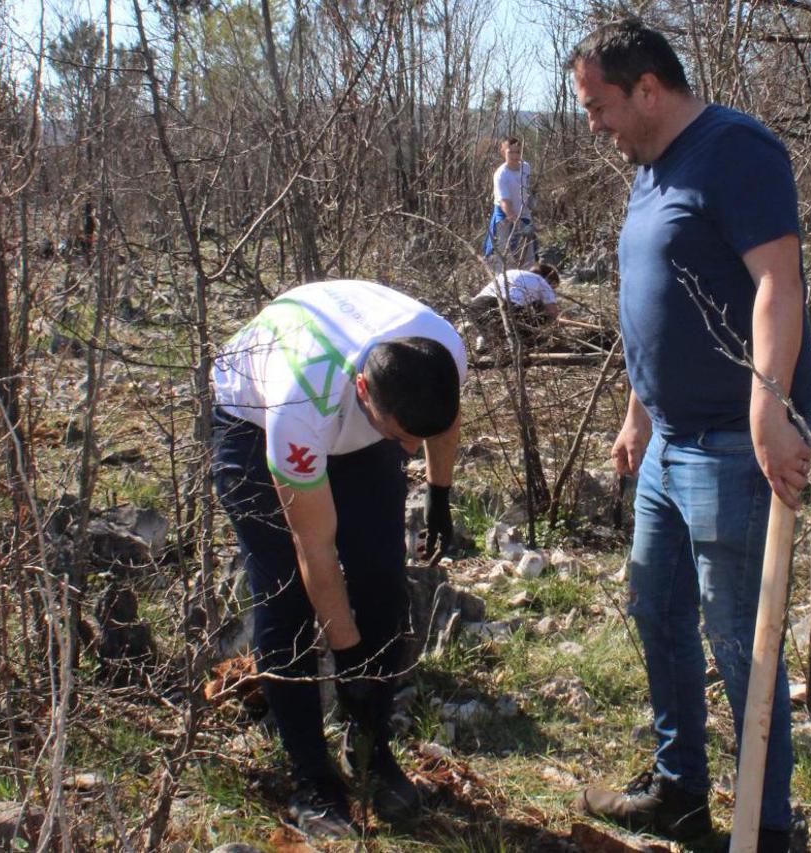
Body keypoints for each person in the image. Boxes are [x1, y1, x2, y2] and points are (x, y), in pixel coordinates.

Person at [568, 19, 811, 853]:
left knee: (742, 644)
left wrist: (768, 406)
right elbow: (658, 294)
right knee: (656, 608)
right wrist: (639, 411)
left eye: (600, 106)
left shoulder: (736, 149)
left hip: (730, 448)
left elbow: (778, 284)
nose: (593, 124)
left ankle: (765, 830)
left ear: (647, 88)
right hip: (668, 440)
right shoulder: (648, 168)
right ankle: (680, 791)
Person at [209, 279, 467, 838]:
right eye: (400, 437)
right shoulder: (297, 406)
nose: (406, 453)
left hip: (354, 413)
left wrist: (440, 495)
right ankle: (311, 779)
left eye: (412, 441)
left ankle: (371, 749)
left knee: (382, 579)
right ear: (364, 389)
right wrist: (347, 656)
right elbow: (315, 549)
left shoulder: (438, 352)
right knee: (286, 597)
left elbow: (438, 420)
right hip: (252, 422)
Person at [466, 262, 561, 350]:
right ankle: (513, 344)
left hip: (476, 307)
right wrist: (556, 333)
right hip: (502, 307)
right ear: (549, 280)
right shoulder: (542, 282)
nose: (552, 290)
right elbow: (553, 313)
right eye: (553, 287)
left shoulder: (511, 272)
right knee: (536, 324)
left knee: (496, 331)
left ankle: (485, 339)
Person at [483, 137, 537, 270]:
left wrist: (531, 202)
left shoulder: (526, 168)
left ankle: (526, 286)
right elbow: (505, 204)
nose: (514, 156)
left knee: (528, 257)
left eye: (518, 152)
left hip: (524, 215)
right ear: (503, 152)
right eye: (510, 152)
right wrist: (520, 226)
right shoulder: (501, 175)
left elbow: (526, 189)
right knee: (505, 257)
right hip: (505, 219)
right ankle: (502, 287)